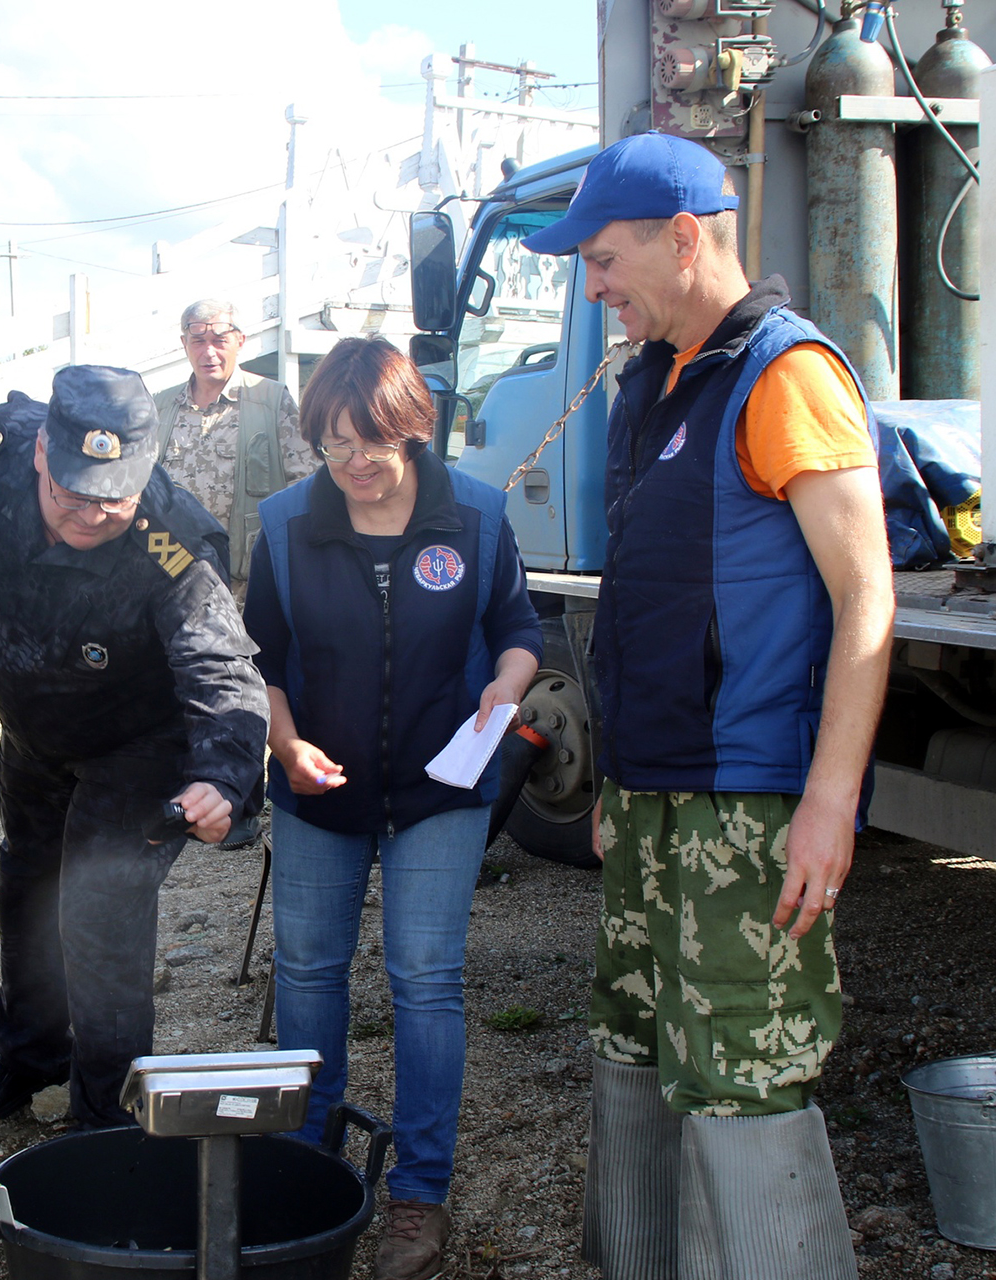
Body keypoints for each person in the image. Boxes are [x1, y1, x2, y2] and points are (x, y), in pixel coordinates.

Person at [521, 133, 893, 1279]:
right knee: (633, 1031)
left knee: (741, 1056)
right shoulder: (657, 384)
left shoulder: (788, 375)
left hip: (748, 804)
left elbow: (866, 597)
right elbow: (651, 601)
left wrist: (828, 800)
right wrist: (620, 778)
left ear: (685, 239)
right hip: (653, 793)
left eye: (603, 258)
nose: (593, 286)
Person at [244, 336, 542, 1280]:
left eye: (372, 444)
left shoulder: (478, 518)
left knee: (425, 980)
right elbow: (255, 659)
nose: (355, 465)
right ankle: (306, 1168)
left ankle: (419, 1193)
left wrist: (507, 687)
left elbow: (517, 629)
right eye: (334, 447)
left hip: (440, 790)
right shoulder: (286, 523)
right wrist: (283, 744)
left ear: (412, 428)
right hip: (315, 792)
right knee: (309, 975)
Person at [0, 365, 269, 1130]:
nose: (92, 515)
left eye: (113, 498)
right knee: (27, 900)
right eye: (74, 493)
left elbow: (222, 665)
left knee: (96, 907)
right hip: (33, 731)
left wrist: (223, 773)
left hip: (136, 740)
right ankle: (28, 1065)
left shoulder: (172, 540)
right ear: (39, 459)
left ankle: (103, 1117)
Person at [151, 299, 311, 598]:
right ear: (184, 344)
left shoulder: (271, 401)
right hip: (173, 583)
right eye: (198, 341)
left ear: (240, 341)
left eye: (219, 341)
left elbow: (305, 485)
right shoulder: (161, 406)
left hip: (246, 589)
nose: (208, 352)